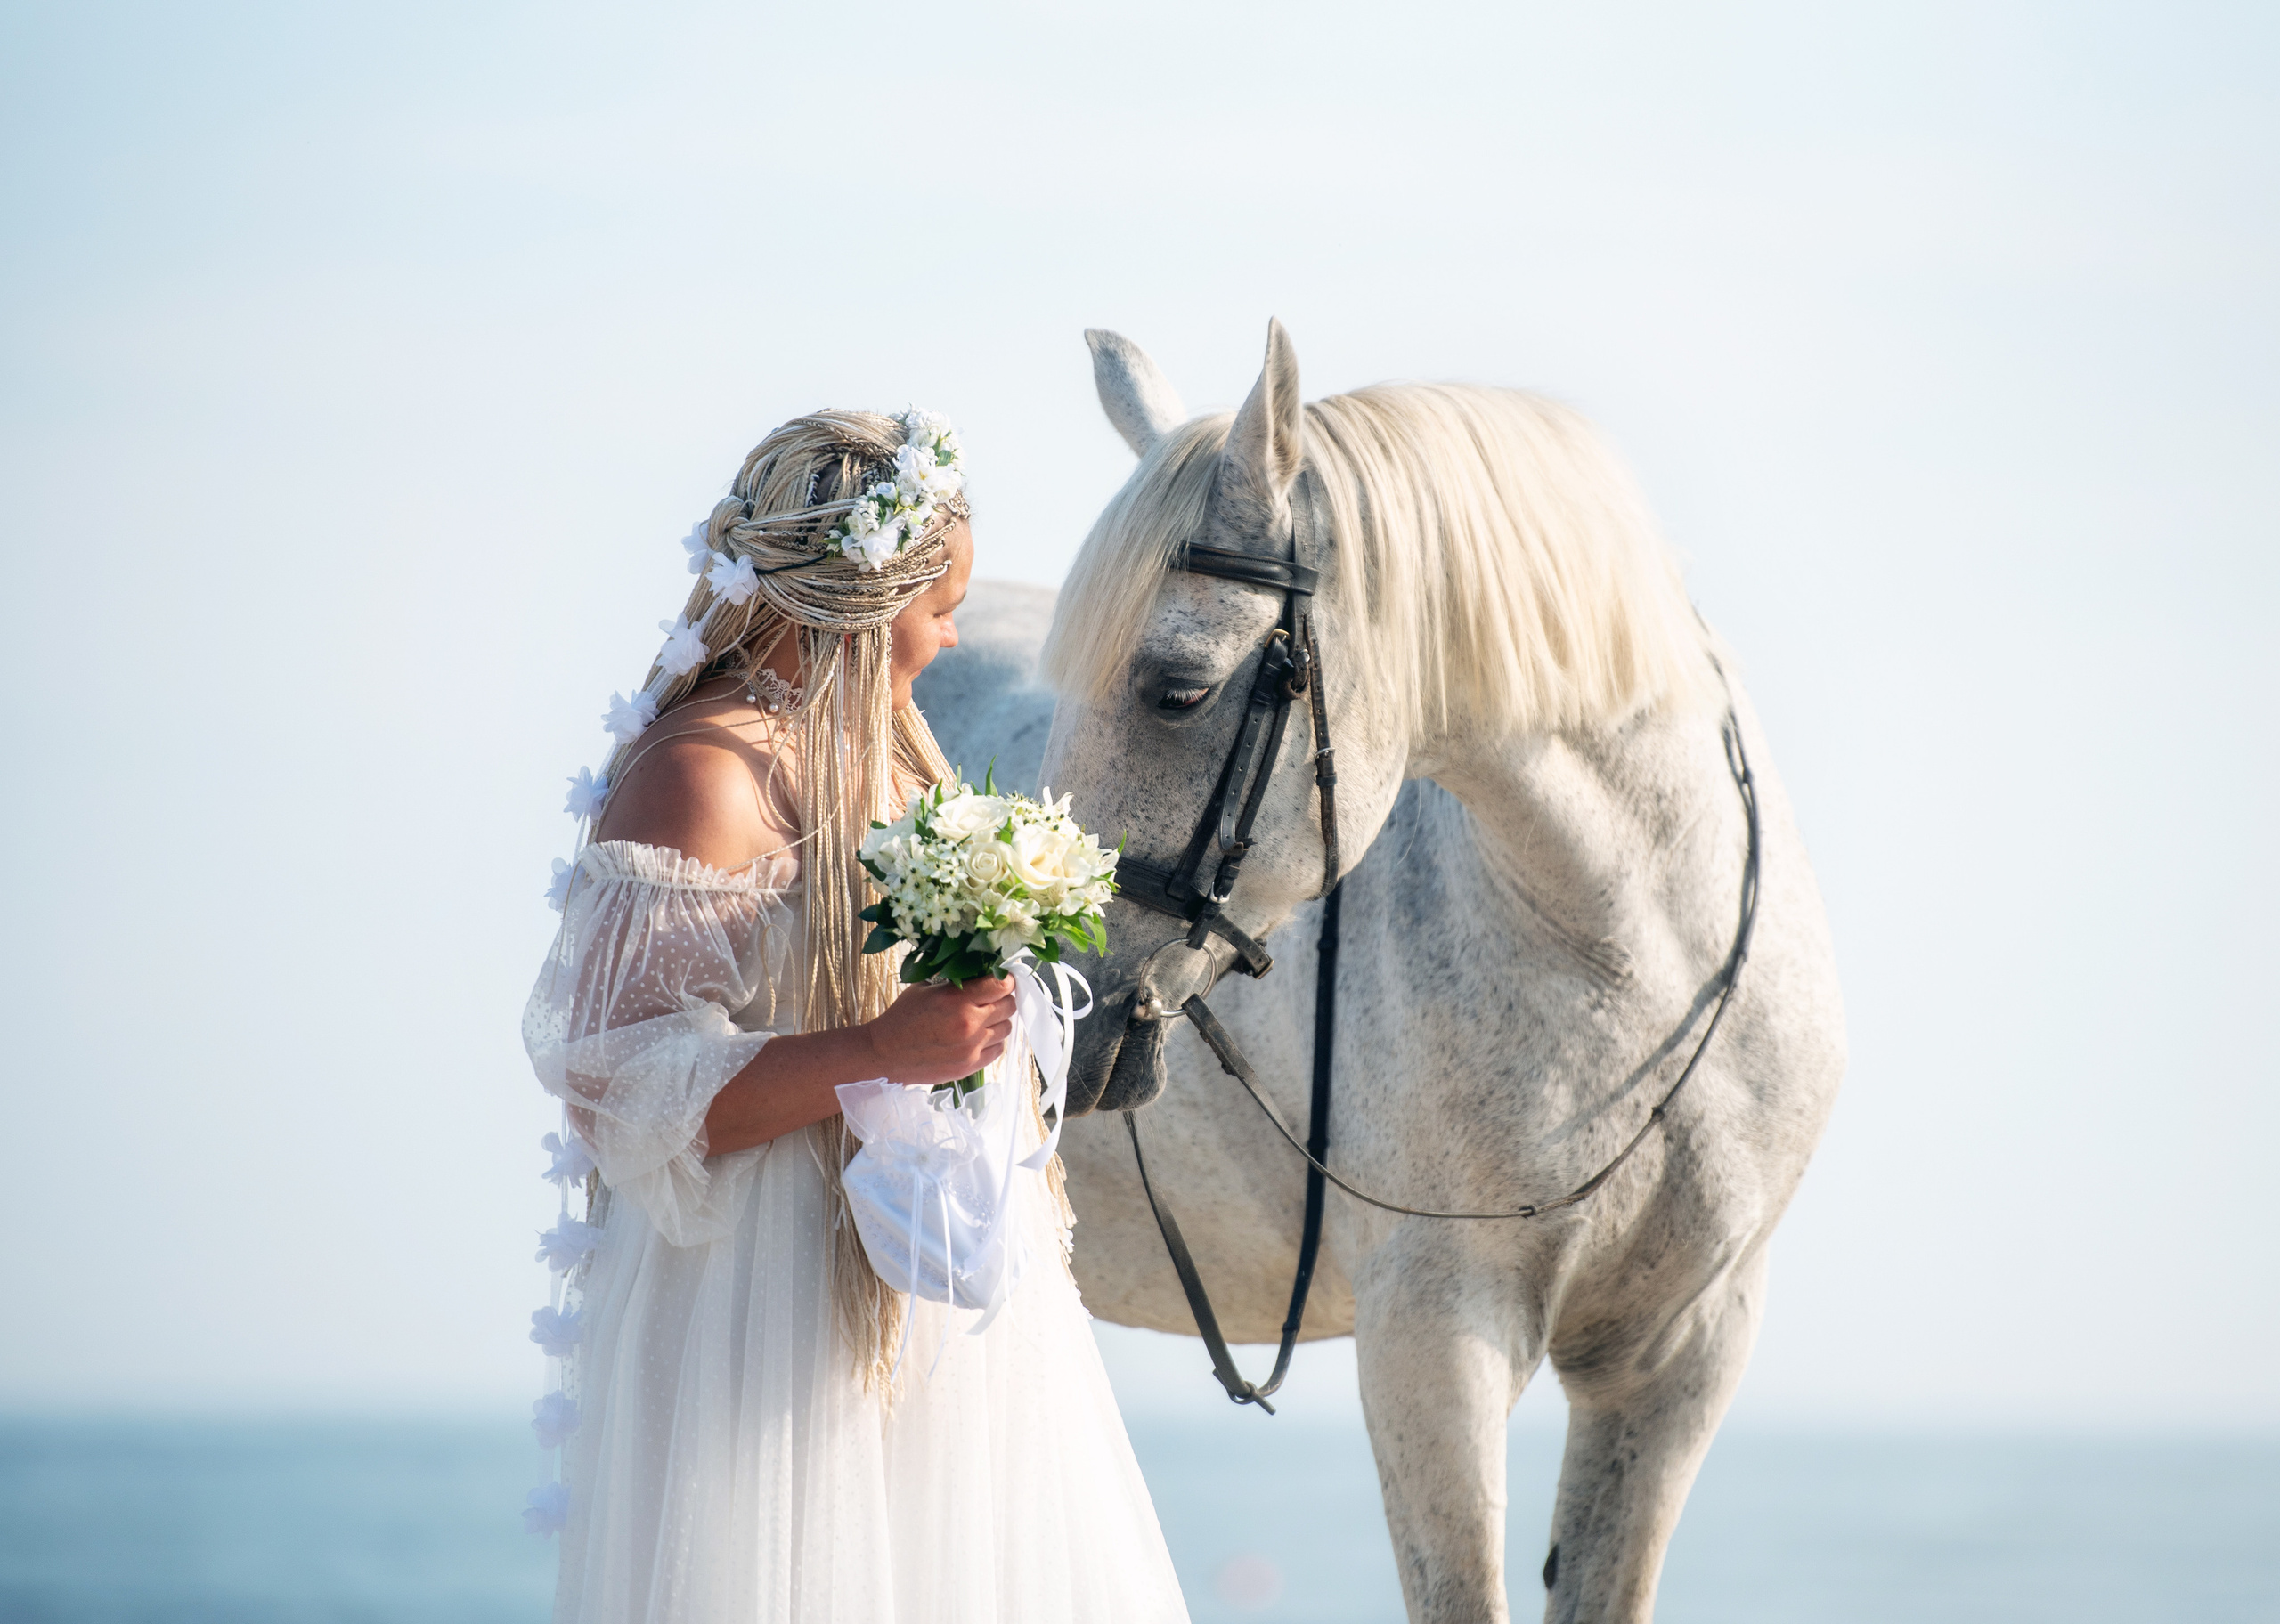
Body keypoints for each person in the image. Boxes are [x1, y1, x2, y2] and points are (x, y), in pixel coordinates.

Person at [522, 409, 1190, 1623]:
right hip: (762, 1303)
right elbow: (618, 1087)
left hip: (923, 1273)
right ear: (862, 608)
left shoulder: (878, 750)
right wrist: (879, 1054)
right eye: (941, 612)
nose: (947, 643)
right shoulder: (705, 777)